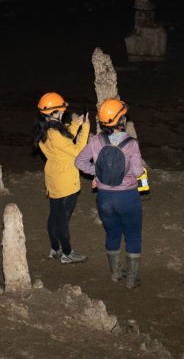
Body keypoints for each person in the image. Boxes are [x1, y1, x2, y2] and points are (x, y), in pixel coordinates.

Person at [75, 98, 144, 289]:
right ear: (121, 119)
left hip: (104, 198)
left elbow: (80, 162)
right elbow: (138, 172)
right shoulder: (131, 143)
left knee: (112, 232)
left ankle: (115, 273)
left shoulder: (95, 140)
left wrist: (97, 173)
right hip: (128, 197)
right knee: (132, 234)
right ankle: (131, 279)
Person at [33, 91, 90, 264]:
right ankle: (67, 253)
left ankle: (55, 248)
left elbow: (64, 137)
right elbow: (77, 151)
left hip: (53, 176)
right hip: (65, 179)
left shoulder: (45, 129)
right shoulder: (56, 134)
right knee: (62, 219)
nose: (63, 112)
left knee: (54, 215)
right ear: (55, 112)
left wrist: (76, 124)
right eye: (61, 110)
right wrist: (86, 128)